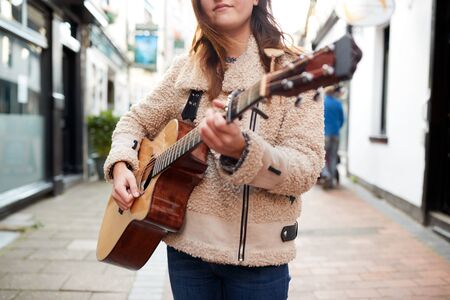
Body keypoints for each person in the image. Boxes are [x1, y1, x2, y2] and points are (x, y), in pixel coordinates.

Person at [104, 1, 324, 299]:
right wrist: (122, 164)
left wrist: (244, 151)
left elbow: (306, 167)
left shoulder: (293, 70)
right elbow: (135, 122)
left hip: (259, 261)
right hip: (186, 254)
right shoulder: (186, 68)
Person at [320, 85, 345, 189]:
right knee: (333, 157)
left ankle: (326, 174)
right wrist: (336, 128)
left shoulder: (323, 103)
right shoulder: (338, 103)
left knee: (322, 157)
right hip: (335, 134)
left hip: (325, 134)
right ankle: (330, 181)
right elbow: (342, 119)